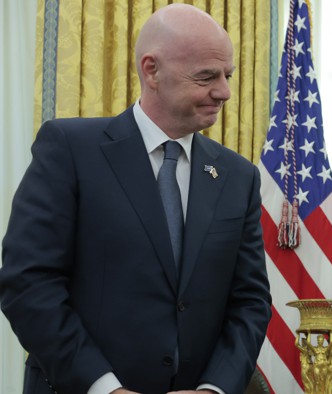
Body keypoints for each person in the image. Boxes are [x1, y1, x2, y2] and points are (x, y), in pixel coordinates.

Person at [0, 4, 271, 394]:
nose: (224, 92)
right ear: (151, 69)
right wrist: (105, 388)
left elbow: (251, 301)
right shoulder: (70, 150)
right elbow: (29, 284)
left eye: (227, 75)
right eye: (207, 76)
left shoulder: (238, 176)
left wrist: (215, 388)